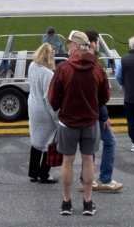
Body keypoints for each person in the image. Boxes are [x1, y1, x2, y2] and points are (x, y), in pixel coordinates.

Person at [48, 30, 110, 217]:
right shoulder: (97, 68)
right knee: (88, 160)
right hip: (90, 121)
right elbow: (105, 97)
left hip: (68, 122)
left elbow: (52, 98)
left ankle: (66, 202)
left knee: (68, 161)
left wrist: (62, 107)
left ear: (75, 45)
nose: (67, 47)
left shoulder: (64, 69)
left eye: (69, 43)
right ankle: (88, 202)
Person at [85, 30, 123, 193]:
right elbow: (100, 96)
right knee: (109, 142)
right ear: (93, 43)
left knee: (89, 146)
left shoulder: (77, 62)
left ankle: (87, 179)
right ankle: (104, 179)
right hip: (96, 113)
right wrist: (105, 116)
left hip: (84, 112)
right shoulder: (94, 65)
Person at [27, 43, 59, 183]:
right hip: (44, 111)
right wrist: (56, 117)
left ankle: (33, 173)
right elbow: (49, 98)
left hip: (33, 106)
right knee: (49, 142)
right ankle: (44, 174)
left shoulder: (32, 66)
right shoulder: (49, 74)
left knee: (36, 141)